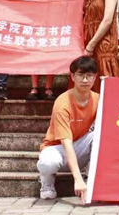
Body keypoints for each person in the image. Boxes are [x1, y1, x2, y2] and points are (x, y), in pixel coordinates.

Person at [37, 56, 100, 201]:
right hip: (57, 148)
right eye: (81, 75)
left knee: (100, 136)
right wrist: (77, 179)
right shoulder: (62, 102)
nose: (85, 80)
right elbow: (66, 144)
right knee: (48, 163)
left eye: (89, 75)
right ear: (72, 76)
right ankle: (47, 183)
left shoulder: (98, 99)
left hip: (80, 146)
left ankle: (91, 179)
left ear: (95, 77)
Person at [83, 0, 119, 91]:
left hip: (104, 42)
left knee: (104, 79)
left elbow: (107, 20)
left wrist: (91, 45)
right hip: (87, 39)